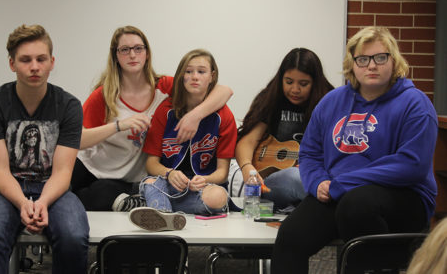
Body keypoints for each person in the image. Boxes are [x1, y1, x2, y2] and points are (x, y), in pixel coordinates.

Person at [271, 26, 438, 273]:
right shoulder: (332, 101)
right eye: (363, 59)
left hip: (404, 196)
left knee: (356, 206)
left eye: (380, 57)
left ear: (394, 61)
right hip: (339, 193)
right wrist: (317, 183)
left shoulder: (415, 103)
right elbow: (310, 153)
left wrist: (342, 184)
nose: (371, 65)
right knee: (291, 235)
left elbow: (411, 165)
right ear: (353, 63)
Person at [71, 26, 233, 211]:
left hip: (126, 178)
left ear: (147, 54)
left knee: (104, 193)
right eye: (125, 50)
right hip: (93, 166)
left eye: (138, 48)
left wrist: (194, 116)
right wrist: (119, 126)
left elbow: (224, 91)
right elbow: (77, 140)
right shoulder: (105, 94)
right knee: (60, 192)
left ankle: (142, 207)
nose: (132, 55)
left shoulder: (164, 86)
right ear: (115, 56)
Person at [0, 24, 89, 274]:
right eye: (25, 60)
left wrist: (43, 201)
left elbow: (63, 172)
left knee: (73, 237)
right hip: (1, 188)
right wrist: (24, 203)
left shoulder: (69, 106)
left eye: (41, 59)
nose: (34, 66)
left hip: (53, 188)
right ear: (12, 63)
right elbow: (0, 170)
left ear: (51, 62)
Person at [129, 49, 237, 231]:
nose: (194, 76)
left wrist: (204, 180)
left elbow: (222, 173)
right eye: (188, 71)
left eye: (201, 72)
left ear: (212, 76)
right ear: (181, 76)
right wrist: (169, 173)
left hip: (202, 188)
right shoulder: (166, 110)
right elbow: (152, 164)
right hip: (168, 184)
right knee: (150, 183)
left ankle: (159, 209)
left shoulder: (224, 116)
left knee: (218, 197)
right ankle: (164, 213)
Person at [235, 48, 333, 212]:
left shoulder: (329, 102)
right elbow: (248, 141)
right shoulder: (271, 99)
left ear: (315, 82)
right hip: (275, 184)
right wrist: (247, 168)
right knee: (295, 177)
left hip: (318, 179)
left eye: (303, 84)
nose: (295, 89)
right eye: (288, 82)